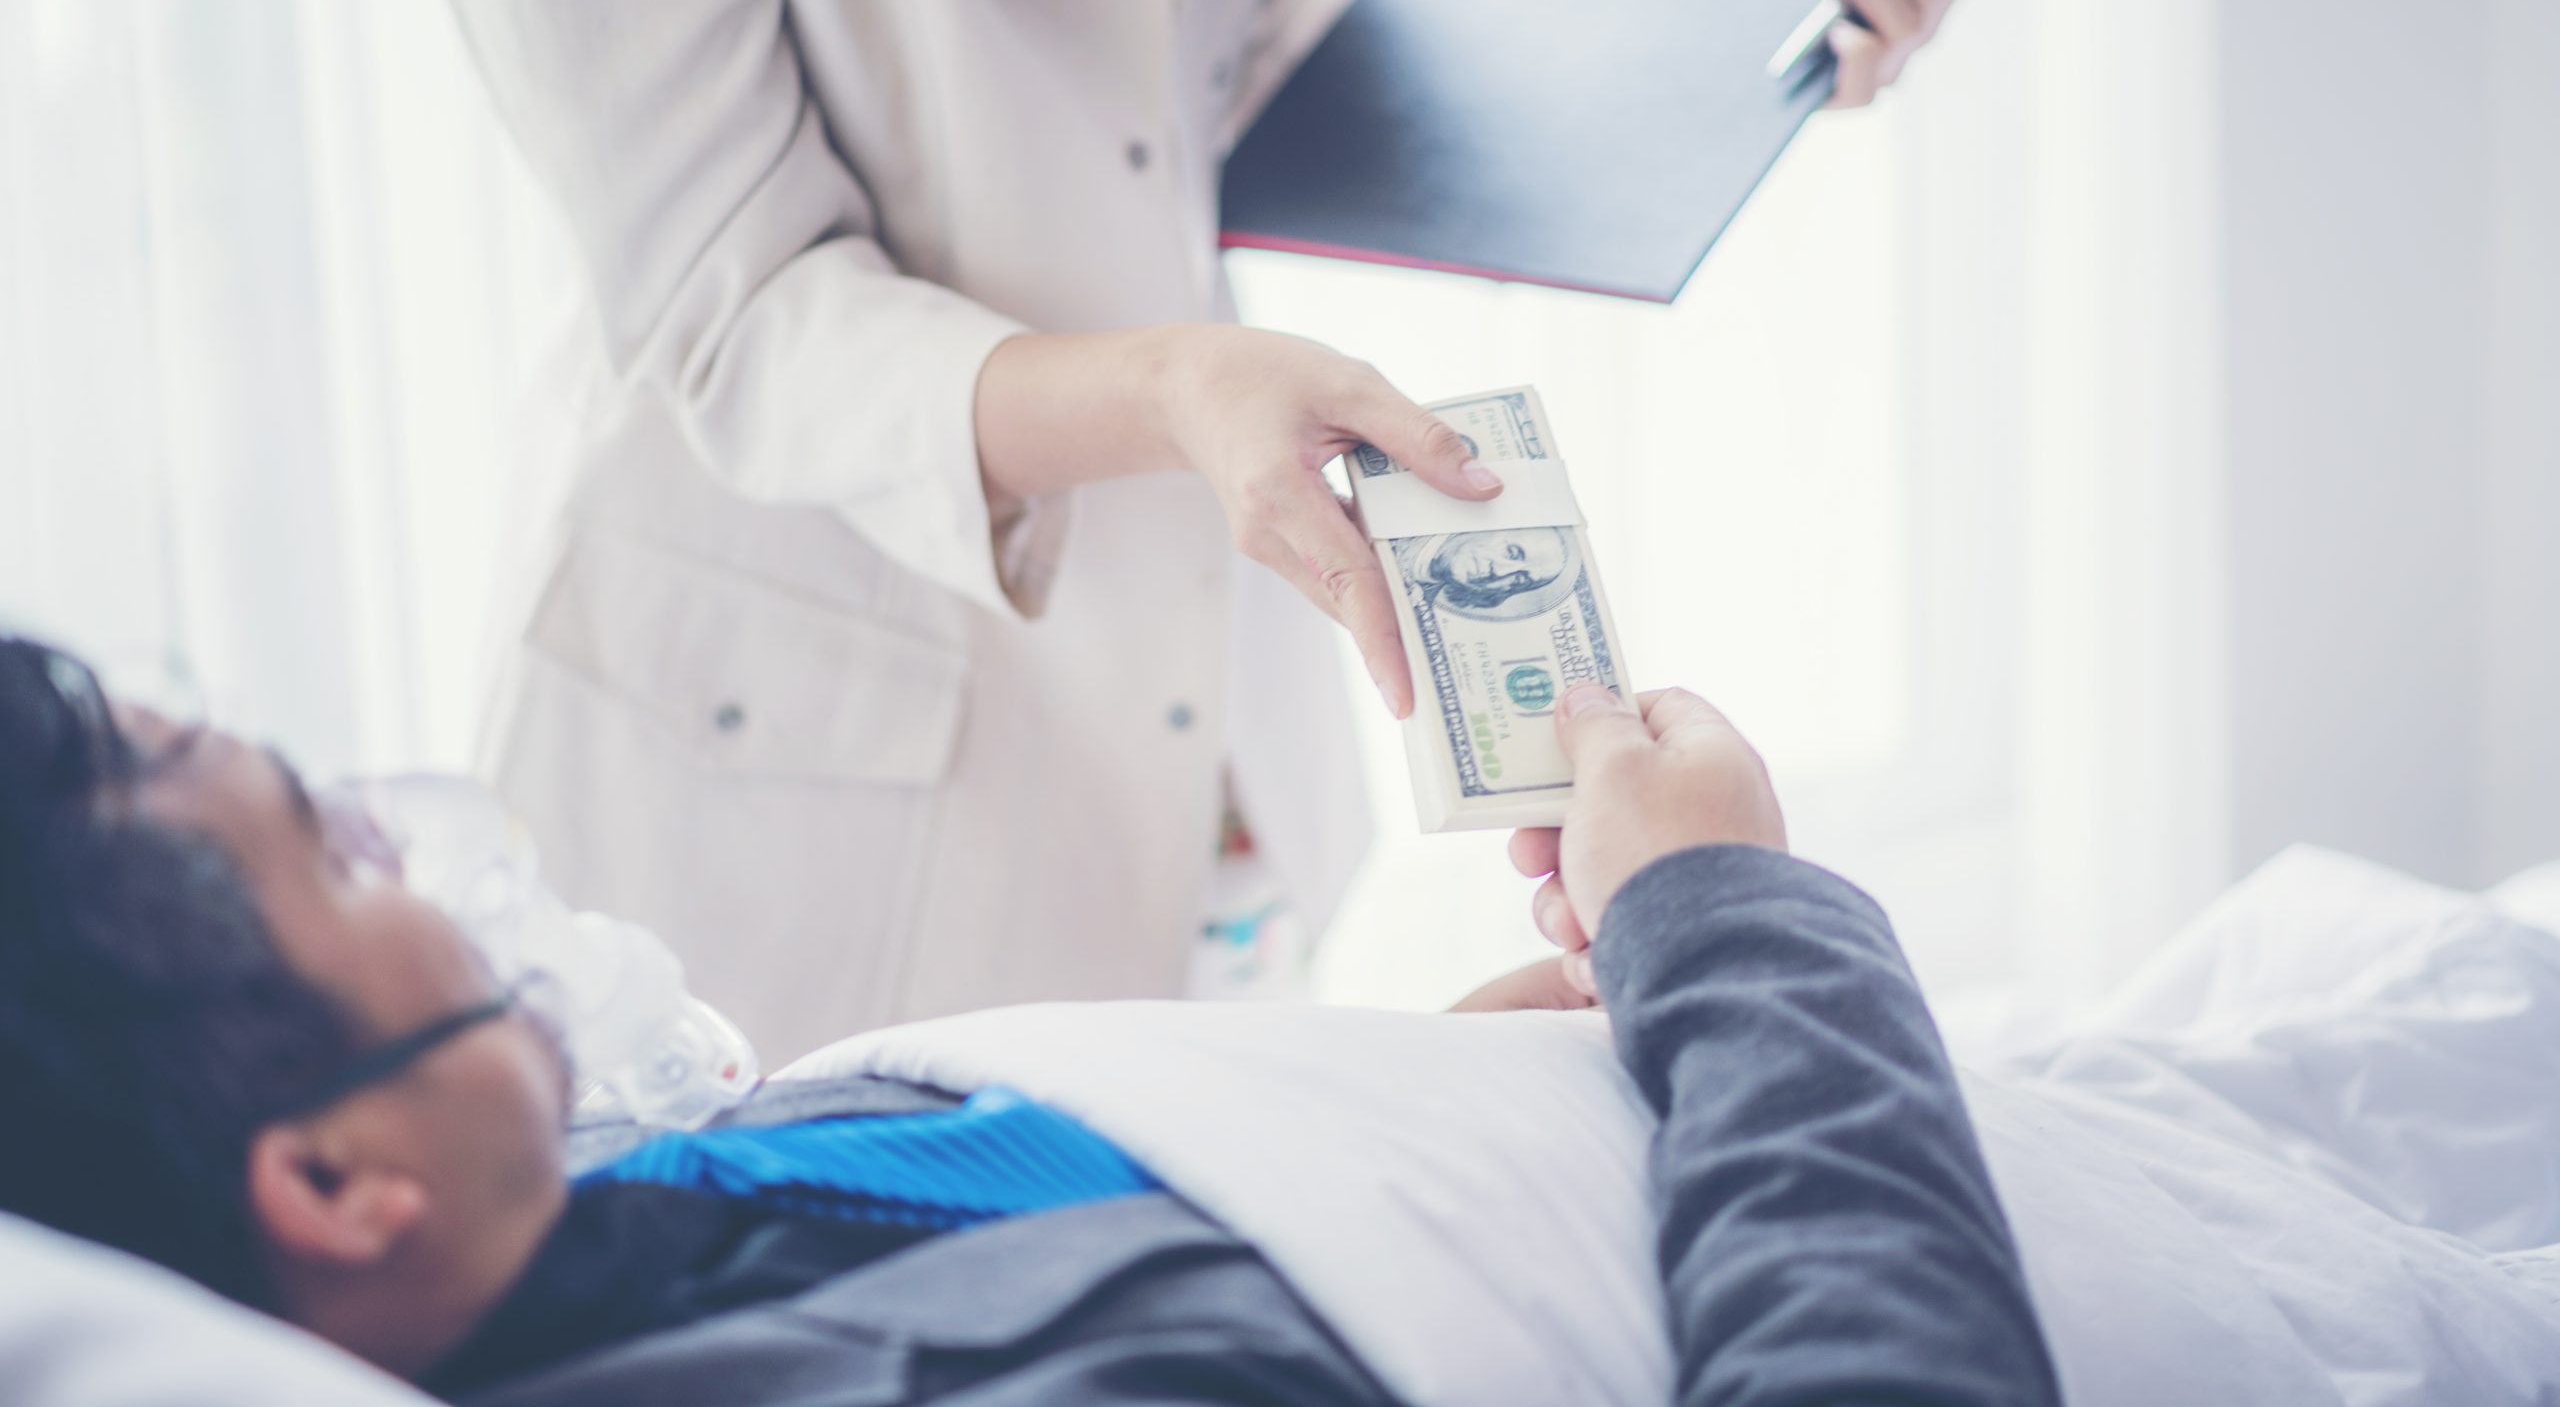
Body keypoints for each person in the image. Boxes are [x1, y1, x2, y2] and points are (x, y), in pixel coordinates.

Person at [405, 0, 2012, 1055]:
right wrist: (1180, 389)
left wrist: (1740, 45)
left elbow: (1203, 43)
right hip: (807, 712)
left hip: (1198, 689)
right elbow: (737, 308)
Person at [0, 631, 2059, 1405]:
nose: (421, 853)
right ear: (336, 1178)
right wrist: (1731, 915)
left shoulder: (622, 1207)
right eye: (340, 853)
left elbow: (1086, 1238)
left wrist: (1402, 1102)